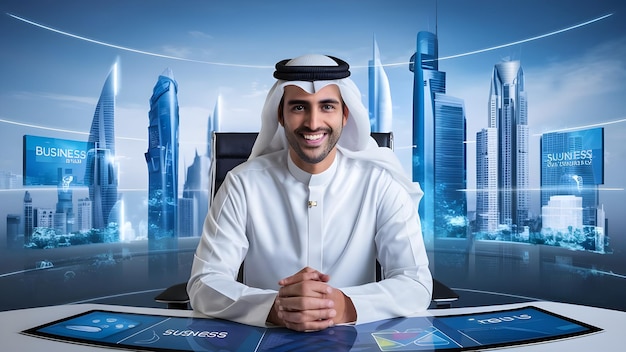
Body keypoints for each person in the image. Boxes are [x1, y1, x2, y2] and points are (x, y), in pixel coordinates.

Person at [188, 54, 432, 332]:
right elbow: (204, 282)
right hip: (264, 340)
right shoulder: (242, 183)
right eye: (299, 107)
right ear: (280, 115)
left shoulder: (381, 183)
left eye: (327, 106)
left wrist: (344, 305)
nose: (313, 123)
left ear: (345, 114)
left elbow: (415, 283)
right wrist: (274, 307)